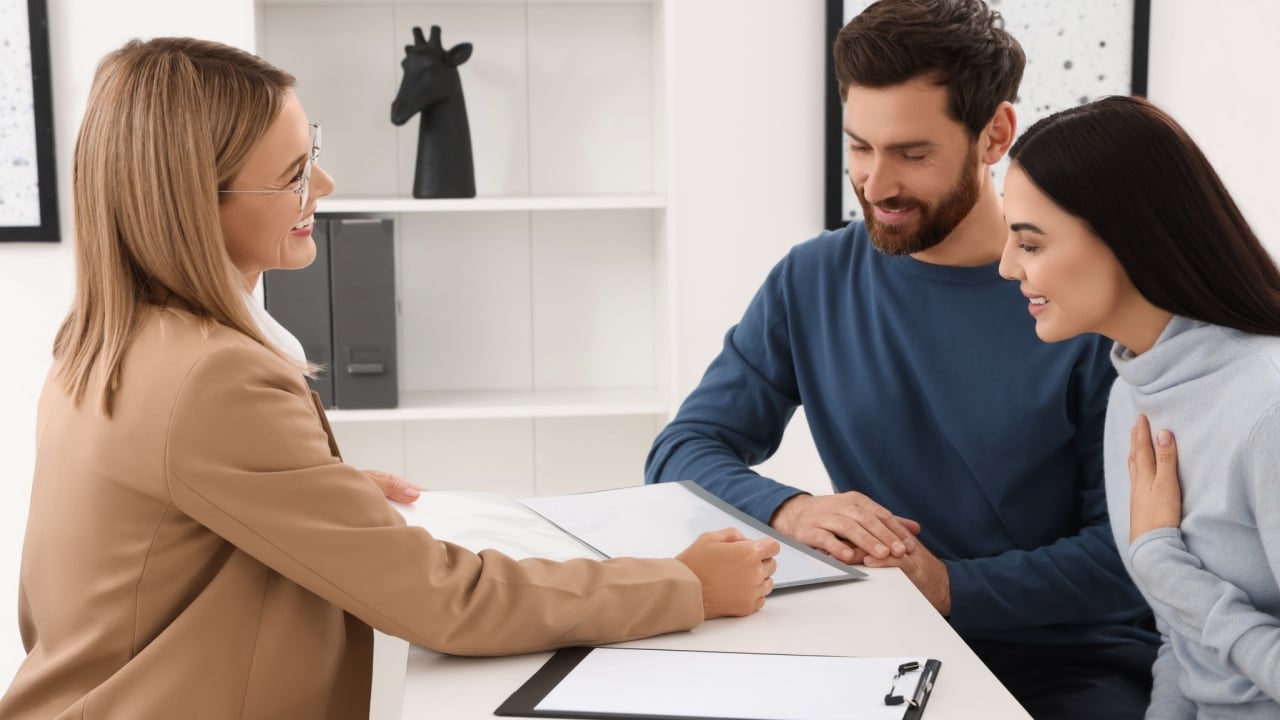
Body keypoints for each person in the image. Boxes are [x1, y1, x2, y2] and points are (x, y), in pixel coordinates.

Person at [0, 37, 779, 719]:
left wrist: (308, 491)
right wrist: (682, 588)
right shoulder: (212, 379)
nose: (326, 189)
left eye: (315, 153)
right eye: (295, 175)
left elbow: (112, 575)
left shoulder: (101, 344)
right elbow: (441, 600)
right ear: (193, 204)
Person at [645, 1, 1157, 717]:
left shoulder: (1086, 296)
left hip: (1069, 664)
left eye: (913, 154)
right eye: (860, 146)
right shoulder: (811, 279)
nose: (877, 185)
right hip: (881, 641)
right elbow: (680, 451)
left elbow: (1132, 554)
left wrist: (950, 586)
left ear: (994, 136)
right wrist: (790, 509)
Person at [999, 94, 1280, 720]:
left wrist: (1161, 561)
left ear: (1127, 239)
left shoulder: (1268, 409)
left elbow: (1180, 598)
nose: (1005, 266)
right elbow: (1181, 643)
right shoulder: (1133, 386)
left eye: (1032, 244)